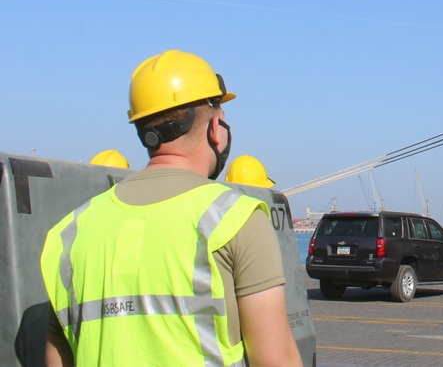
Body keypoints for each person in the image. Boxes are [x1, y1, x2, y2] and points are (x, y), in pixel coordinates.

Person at [40, 50, 302, 366]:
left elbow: (57, 356)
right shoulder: (235, 218)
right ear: (216, 128)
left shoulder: (68, 233)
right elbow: (274, 359)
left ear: (144, 131)